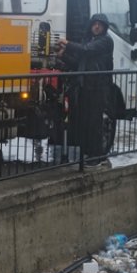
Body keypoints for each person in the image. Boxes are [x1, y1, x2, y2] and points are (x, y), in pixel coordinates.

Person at [57, 14, 114, 167]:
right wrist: (64, 57)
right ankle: (89, 154)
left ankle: (97, 156)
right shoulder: (89, 41)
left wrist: (67, 44)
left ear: (104, 27)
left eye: (100, 24)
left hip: (98, 87)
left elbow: (86, 50)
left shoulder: (106, 41)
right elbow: (79, 63)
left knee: (95, 123)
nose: (96, 26)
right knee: (86, 122)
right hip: (85, 87)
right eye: (94, 24)